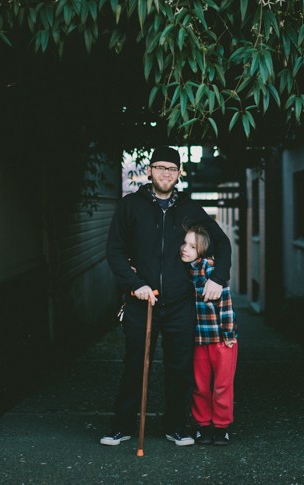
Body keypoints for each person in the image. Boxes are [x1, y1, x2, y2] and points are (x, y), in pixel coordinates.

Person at [101, 146, 232, 447]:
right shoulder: (130, 206)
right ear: (149, 170)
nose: (165, 173)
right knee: (135, 364)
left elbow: (222, 244)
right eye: (160, 167)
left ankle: (176, 426)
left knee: (180, 367)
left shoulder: (190, 209)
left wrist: (218, 277)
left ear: (179, 173)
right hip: (141, 301)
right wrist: (135, 284)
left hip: (179, 304)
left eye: (171, 169)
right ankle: (121, 426)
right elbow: (115, 250)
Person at [180, 225, 238, 446]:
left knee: (222, 384)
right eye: (184, 243)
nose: (185, 249)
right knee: (200, 384)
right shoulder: (183, 271)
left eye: (193, 246)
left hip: (222, 339)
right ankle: (203, 425)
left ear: (202, 249)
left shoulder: (211, 270)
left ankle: (222, 427)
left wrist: (229, 333)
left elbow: (225, 304)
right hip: (197, 339)